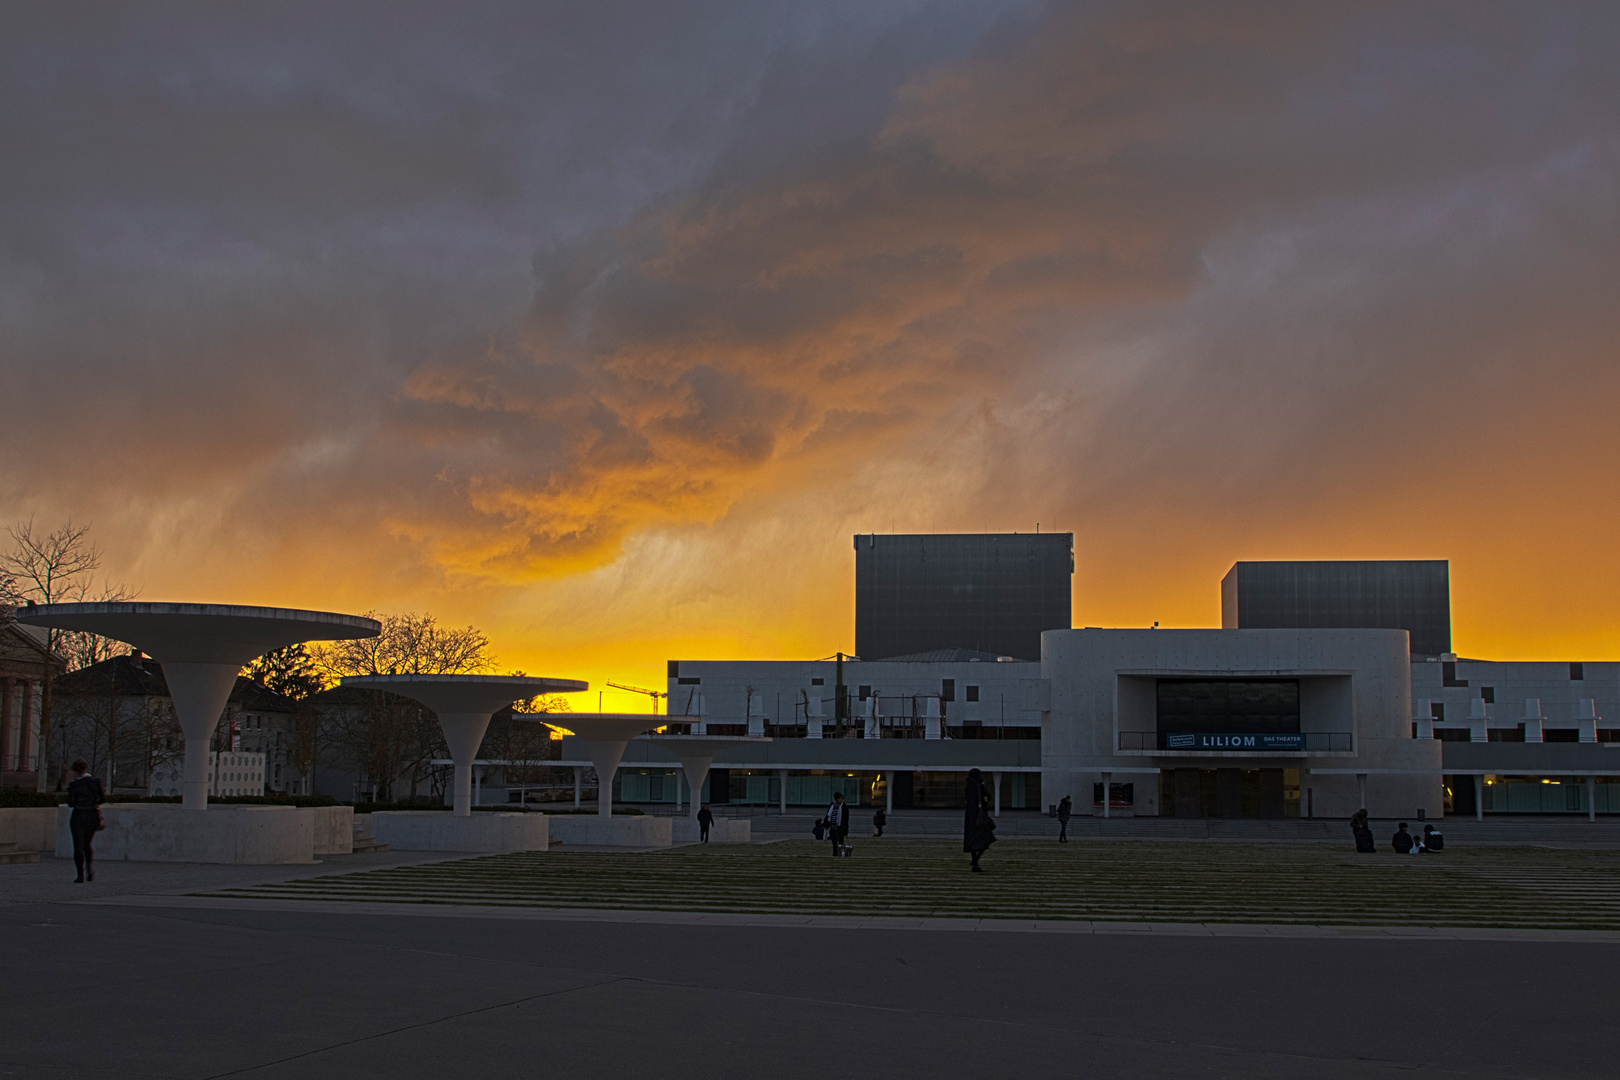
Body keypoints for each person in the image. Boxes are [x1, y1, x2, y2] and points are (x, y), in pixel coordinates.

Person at [65, 759, 104, 883]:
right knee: (87, 844)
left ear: (75, 771)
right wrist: (94, 803)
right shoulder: (95, 782)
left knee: (78, 845)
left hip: (79, 814)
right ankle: (89, 871)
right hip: (92, 814)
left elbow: (71, 803)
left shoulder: (74, 785)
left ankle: (80, 875)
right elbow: (103, 798)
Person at [963, 768, 996, 871]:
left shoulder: (969, 787)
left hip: (970, 818)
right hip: (980, 818)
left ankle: (974, 861)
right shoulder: (979, 786)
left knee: (973, 842)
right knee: (985, 839)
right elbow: (986, 797)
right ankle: (975, 861)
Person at [826, 792, 846, 857]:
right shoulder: (832, 806)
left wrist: (845, 830)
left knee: (840, 841)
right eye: (840, 798)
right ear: (836, 799)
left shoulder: (844, 807)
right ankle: (835, 853)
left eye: (842, 798)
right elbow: (828, 815)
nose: (841, 800)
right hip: (832, 827)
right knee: (834, 842)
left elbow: (845, 818)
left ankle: (841, 853)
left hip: (840, 827)